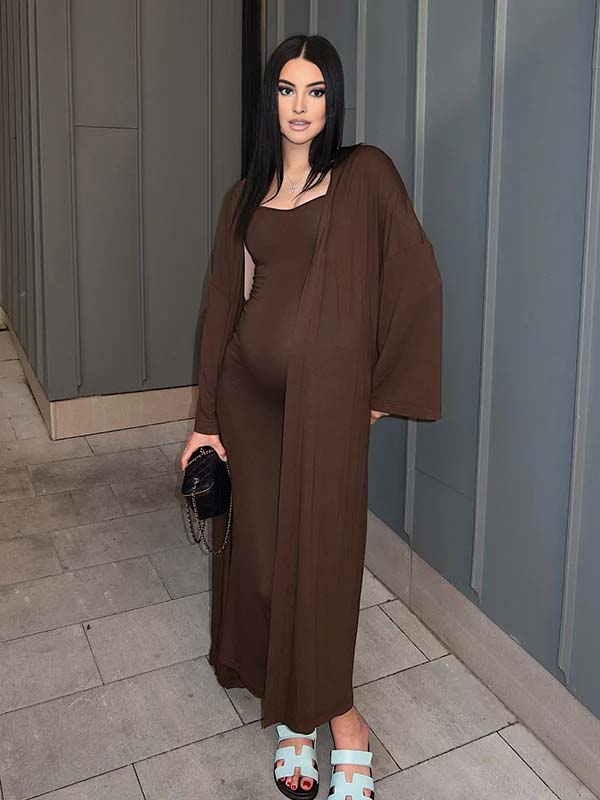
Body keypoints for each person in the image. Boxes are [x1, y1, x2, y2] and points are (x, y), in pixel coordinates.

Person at [181, 33, 442, 800]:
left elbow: (415, 275)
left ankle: (345, 722)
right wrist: (206, 421)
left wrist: (378, 394)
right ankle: (293, 717)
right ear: (271, 100)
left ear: (334, 100)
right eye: (287, 89)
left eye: (316, 90)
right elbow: (223, 307)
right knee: (263, 561)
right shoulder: (245, 196)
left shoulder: (364, 175)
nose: (300, 106)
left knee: (322, 566)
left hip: (327, 412)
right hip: (249, 403)